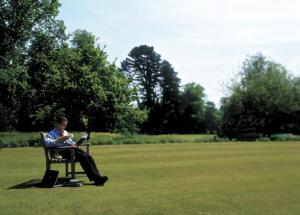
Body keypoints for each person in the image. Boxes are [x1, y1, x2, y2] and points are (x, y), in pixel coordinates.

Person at [45, 116, 108, 186]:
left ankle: (98, 177)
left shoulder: (65, 132)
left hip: (72, 149)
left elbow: (70, 142)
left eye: (66, 125)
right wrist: (60, 139)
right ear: (57, 124)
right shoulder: (52, 133)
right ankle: (97, 179)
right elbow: (47, 144)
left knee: (89, 156)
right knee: (83, 157)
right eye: (63, 124)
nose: (65, 127)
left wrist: (76, 143)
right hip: (63, 151)